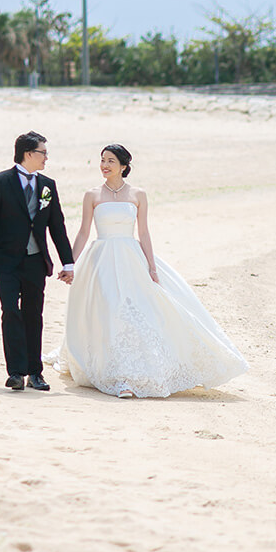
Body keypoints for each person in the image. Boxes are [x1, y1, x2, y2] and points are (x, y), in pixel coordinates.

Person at [46, 144, 247, 398]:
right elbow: (84, 231)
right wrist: (70, 264)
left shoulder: (138, 194)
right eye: (102, 160)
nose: (104, 165)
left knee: (136, 311)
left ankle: (132, 374)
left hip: (131, 258)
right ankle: (117, 373)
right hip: (101, 260)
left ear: (123, 166)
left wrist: (151, 267)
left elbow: (143, 232)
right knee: (109, 309)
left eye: (110, 161)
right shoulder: (92, 195)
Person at [0, 131, 75, 391]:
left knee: (34, 315)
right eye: (43, 152)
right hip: (6, 262)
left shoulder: (47, 185)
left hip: (35, 261)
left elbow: (57, 226)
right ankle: (16, 372)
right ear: (28, 154)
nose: (46, 158)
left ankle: (35, 373)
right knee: (10, 311)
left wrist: (68, 262)